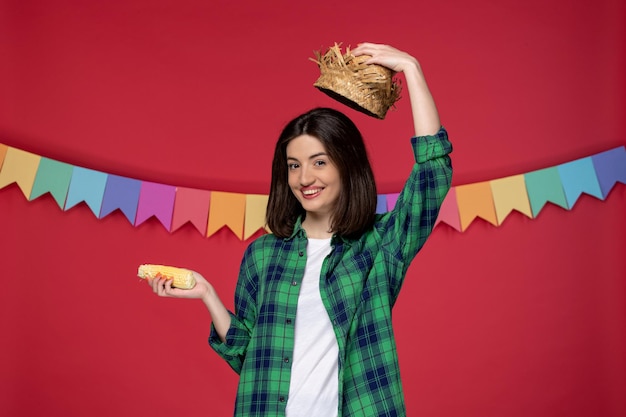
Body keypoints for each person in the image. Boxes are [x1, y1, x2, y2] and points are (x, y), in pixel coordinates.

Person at [147, 42, 453, 417]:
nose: (305, 178)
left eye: (319, 162)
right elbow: (247, 357)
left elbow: (431, 174)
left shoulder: (379, 245)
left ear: (347, 166)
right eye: (294, 165)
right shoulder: (263, 255)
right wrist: (207, 295)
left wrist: (412, 69)